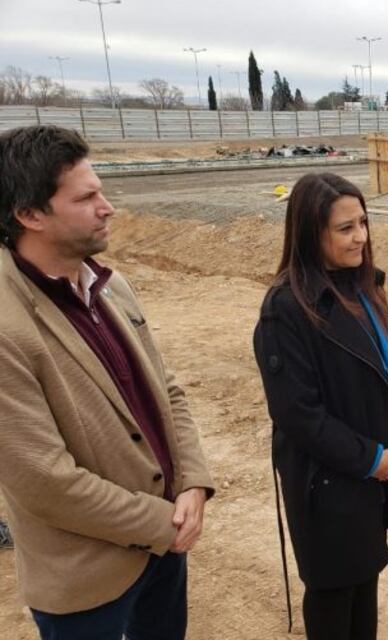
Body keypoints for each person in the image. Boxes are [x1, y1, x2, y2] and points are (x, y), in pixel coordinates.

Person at [0, 125, 214, 639]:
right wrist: (162, 523)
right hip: (87, 577)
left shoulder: (111, 286)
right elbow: (45, 483)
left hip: (163, 549)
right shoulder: (7, 326)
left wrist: (193, 484)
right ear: (29, 215)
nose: (108, 206)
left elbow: (169, 390)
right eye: (87, 196)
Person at [253, 172, 388, 640]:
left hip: (369, 480)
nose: (362, 237)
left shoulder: (363, 288)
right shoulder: (286, 310)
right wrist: (372, 460)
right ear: (311, 232)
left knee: (364, 587)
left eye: (363, 222)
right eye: (345, 228)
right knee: (333, 597)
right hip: (325, 486)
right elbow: (298, 414)